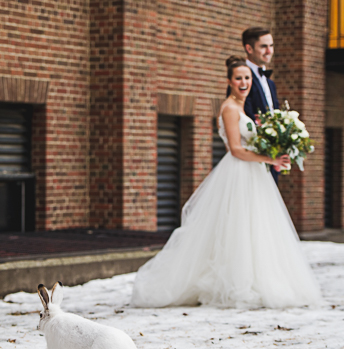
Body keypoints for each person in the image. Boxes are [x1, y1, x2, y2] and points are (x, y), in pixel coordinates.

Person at [130, 56, 321, 309]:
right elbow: (235, 150)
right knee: (239, 228)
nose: (244, 82)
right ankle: (237, 283)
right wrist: (269, 157)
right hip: (239, 172)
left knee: (256, 227)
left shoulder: (241, 107)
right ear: (229, 81)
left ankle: (256, 279)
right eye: (238, 78)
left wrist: (273, 156)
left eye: (247, 78)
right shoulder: (230, 108)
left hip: (252, 173)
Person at [242, 27, 281, 184]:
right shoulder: (242, 80)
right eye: (264, 46)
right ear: (249, 48)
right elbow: (245, 119)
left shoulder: (270, 83)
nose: (269, 51)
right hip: (252, 161)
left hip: (271, 160)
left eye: (271, 46)